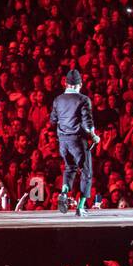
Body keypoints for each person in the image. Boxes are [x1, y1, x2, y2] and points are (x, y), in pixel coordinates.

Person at [48, 69, 100, 217]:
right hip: (78, 140)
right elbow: (87, 122)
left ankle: (64, 192)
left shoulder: (58, 100)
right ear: (80, 84)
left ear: (66, 84)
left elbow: (52, 120)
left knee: (70, 168)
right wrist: (93, 136)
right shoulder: (83, 99)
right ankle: (81, 207)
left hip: (63, 141)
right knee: (86, 172)